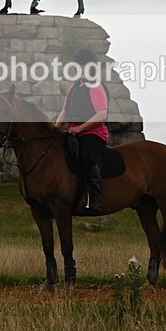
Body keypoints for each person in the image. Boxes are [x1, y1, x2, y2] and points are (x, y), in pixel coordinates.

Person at [55, 48, 109, 213]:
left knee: (86, 155)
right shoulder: (73, 88)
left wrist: (80, 128)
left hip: (93, 133)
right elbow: (64, 112)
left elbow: (101, 114)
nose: (82, 69)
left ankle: (95, 198)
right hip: (73, 132)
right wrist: (54, 131)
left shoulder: (96, 87)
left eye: (85, 66)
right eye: (79, 66)